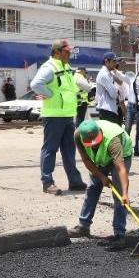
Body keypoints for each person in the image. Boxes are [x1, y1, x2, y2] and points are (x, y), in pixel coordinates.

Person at [29, 39, 87, 195]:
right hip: (54, 115)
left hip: (67, 115)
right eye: (66, 52)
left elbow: (69, 88)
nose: (69, 54)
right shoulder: (49, 67)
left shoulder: (66, 66)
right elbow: (36, 84)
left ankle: (75, 181)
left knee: (69, 150)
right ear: (57, 52)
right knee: (50, 149)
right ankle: (47, 183)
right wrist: (50, 95)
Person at [66, 119, 133, 249]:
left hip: (122, 155)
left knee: (119, 195)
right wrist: (102, 177)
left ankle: (119, 235)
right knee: (93, 187)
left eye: (96, 142)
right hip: (100, 159)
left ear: (100, 134)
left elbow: (121, 169)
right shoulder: (78, 135)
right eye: (90, 144)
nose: (94, 145)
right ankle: (83, 226)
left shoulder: (113, 141)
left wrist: (125, 193)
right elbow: (86, 160)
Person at [94, 52, 125, 125]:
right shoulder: (104, 74)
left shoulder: (109, 73)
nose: (115, 64)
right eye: (113, 61)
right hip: (107, 110)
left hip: (110, 109)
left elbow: (121, 82)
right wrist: (117, 90)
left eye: (116, 61)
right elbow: (113, 94)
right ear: (106, 62)